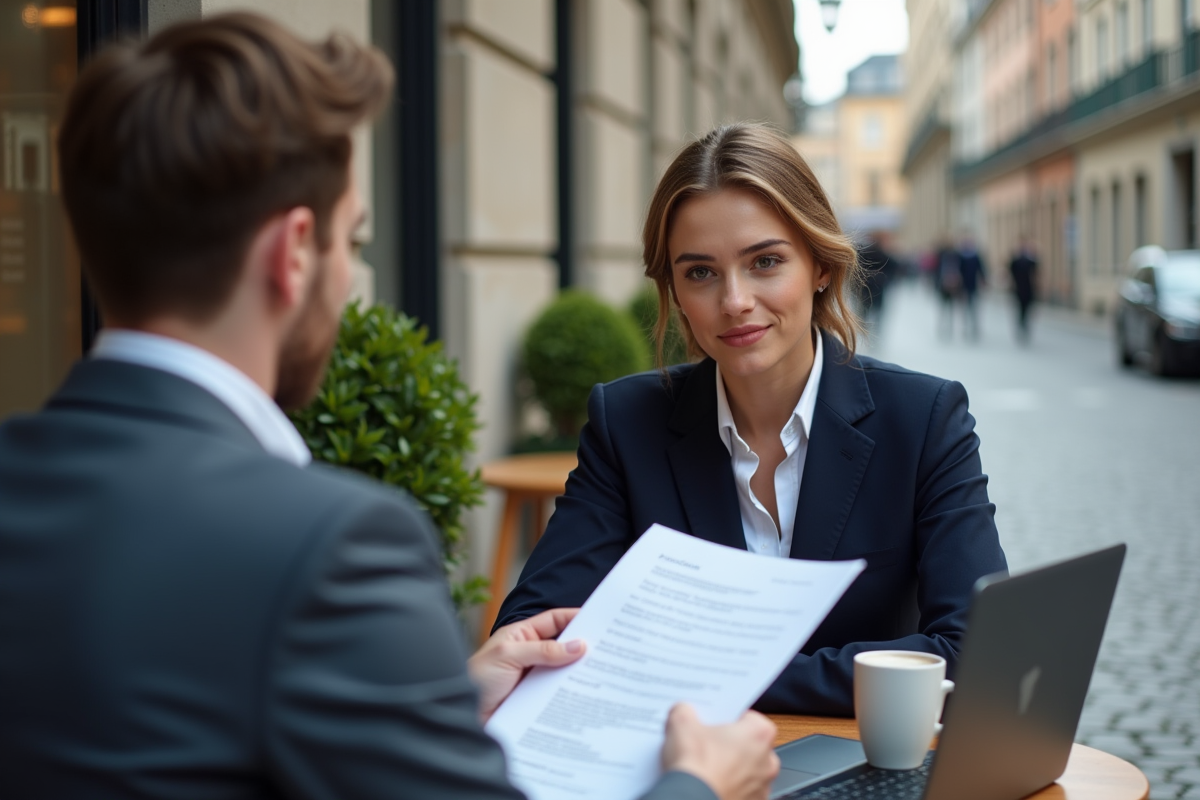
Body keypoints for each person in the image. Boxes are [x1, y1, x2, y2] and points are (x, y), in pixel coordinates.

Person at [0, 15, 779, 800]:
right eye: (353, 240)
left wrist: (445, 700)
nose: (347, 280)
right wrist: (699, 784)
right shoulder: (333, 547)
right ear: (293, 251)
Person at [494, 124, 1007, 716]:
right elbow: (529, 641)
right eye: (701, 272)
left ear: (819, 265)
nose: (734, 300)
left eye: (765, 261)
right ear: (675, 292)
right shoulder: (627, 423)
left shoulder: (923, 420)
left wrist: (710, 674)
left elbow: (974, 654)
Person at [956, 234, 987, 340]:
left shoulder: (975, 255)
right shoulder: (960, 256)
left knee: (974, 306)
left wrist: (983, 280)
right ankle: (965, 326)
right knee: (965, 307)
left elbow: (981, 269)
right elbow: (957, 270)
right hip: (963, 285)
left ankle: (974, 326)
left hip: (973, 285)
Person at [1009, 237, 1038, 343]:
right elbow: (1010, 274)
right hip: (1018, 289)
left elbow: (1036, 274)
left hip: (1029, 289)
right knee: (1020, 309)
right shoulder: (1015, 260)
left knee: (1027, 309)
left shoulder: (1031, 260)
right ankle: (1021, 326)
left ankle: (1025, 326)